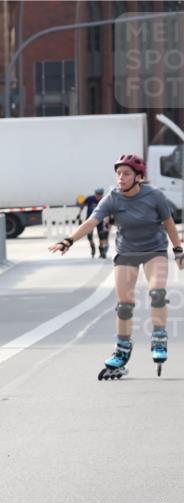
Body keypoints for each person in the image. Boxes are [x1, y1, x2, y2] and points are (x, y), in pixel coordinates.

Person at [50, 154, 184, 379]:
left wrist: (178, 250)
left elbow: (169, 224)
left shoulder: (155, 196)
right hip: (126, 252)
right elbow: (91, 221)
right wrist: (68, 241)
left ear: (138, 177)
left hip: (154, 250)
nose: (121, 178)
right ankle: (122, 350)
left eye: (126, 174)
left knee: (157, 293)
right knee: (124, 305)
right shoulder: (112, 198)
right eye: (118, 173)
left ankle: (159, 339)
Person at [78, 187, 111, 259]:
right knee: (89, 235)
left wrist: (107, 218)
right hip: (90, 220)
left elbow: (108, 209)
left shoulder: (104, 200)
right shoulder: (90, 199)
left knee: (101, 235)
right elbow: (82, 204)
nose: (98, 196)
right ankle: (92, 247)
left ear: (102, 195)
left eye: (100, 194)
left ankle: (101, 250)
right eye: (97, 194)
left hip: (99, 220)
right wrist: (79, 214)